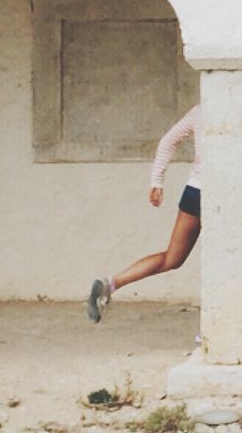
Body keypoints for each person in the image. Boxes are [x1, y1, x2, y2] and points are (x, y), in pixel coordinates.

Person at [87, 105, 202, 323]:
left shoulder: (200, 112)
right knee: (223, 260)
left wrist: (157, 182)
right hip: (219, 195)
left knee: (171, 258)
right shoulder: (239, 109)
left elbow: (168, 140)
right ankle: (217, 330)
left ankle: (110, 284)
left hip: (194, 191)